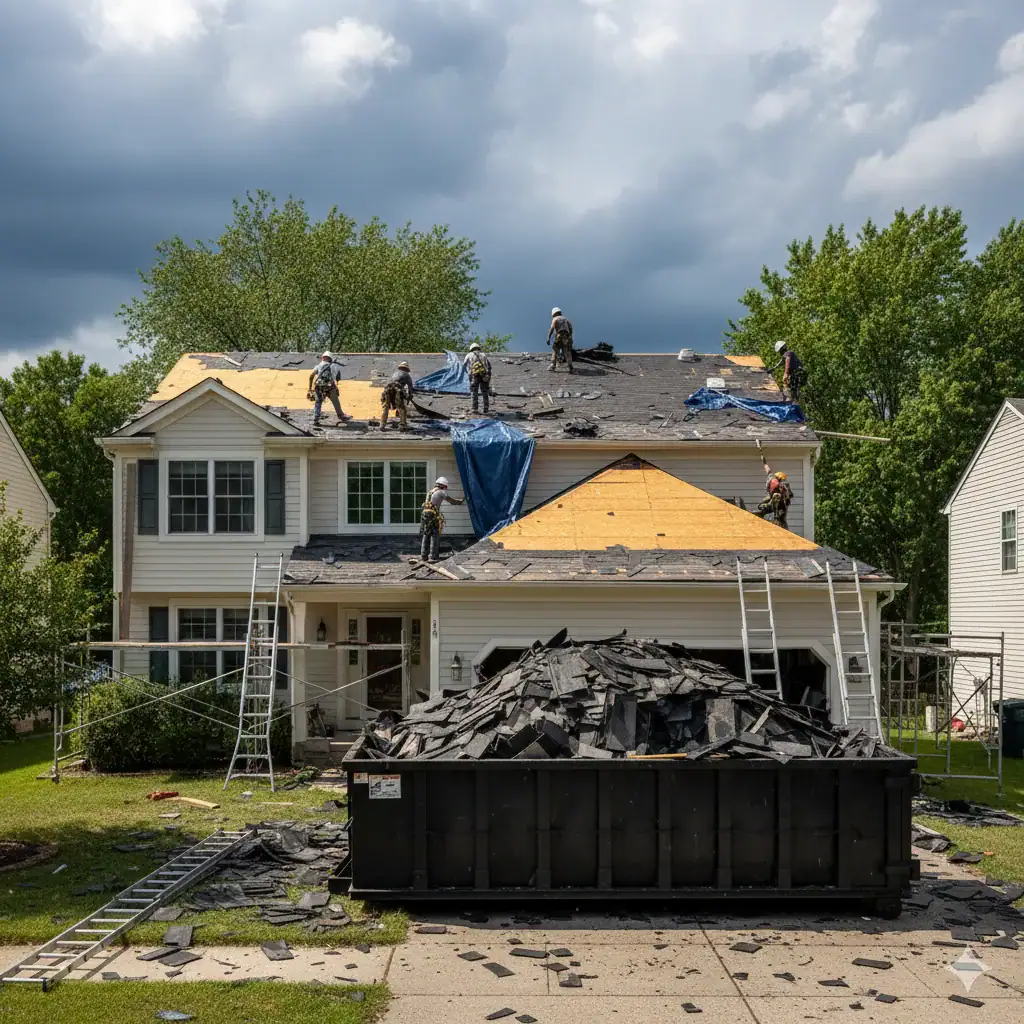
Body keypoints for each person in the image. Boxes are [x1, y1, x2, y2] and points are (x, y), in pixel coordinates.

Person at [420, 476, 465, 563]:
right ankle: (433, 557)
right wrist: (460, 501)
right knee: (435, 535)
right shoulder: (441, 492)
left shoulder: (430, 492)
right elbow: (452, 501)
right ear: (443, 486)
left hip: (425, 516)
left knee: (426, 535)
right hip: (433, 516)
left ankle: (424, 556)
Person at [307, 352, 349, 427]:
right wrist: (335, 388)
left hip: (319, 387)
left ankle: (316, 419)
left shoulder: (319, 366)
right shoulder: (333, 366)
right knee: (335, 401)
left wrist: (310, 389)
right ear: (330, 358)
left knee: (318, 403)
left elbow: (311, 376)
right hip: (329, 388)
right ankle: (341, 415)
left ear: (323, 357)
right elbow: (333, 379)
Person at [755, 450, 793, 530]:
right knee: (782, 520)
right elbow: (790, 495)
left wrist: (764, 461)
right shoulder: (784, 485)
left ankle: (764, 516)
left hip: (771, 504)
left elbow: (767, 469)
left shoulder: (771, 478)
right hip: (779, 508)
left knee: (762, 508)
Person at [380, 361, 415, 430]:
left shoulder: (395, 373)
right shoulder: (407, 375)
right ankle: (402, 425)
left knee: (386, 408)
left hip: (387, 390)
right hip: (397, 390)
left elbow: (389, 383)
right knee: (402, 408)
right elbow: (410, 388)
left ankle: (382, 425)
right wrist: (409, 397)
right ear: (407, 369)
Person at [462, 343, 493, 414]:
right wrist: (488, 377)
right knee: (484, 391)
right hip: (483, 375)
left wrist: (468, 373)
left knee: (474, 391)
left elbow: (464, 365)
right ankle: (486, 407)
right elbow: (489, 367)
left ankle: (475, 408)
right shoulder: (483, 355)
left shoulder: (469, 355)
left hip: (474, 376)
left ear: (471, 349)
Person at [546, 307, 574, 372]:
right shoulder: (565, 319)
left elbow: (551, 329)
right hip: (567, 337)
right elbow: (570, 328)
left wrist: (548, 338)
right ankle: (570, 367)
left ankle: (553, 366)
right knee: (567, 351)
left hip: (559, 336)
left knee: (555, 349)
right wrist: (570, 337)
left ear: (554, 314)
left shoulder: (555, 319)